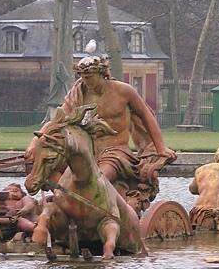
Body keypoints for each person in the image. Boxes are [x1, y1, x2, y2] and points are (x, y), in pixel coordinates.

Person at [27, 54, 176, 214]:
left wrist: (160, 147)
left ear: (102, 73)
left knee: (98, 179)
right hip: (87, 153)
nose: (86, 81)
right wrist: (34, 143)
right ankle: (66, 202)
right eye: (83, 77)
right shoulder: (79, 93)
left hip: (116, 152)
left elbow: (146, 115)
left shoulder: (123, 91)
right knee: (49, 167)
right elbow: (57, 120)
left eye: (90, 77)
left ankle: (108, 210)